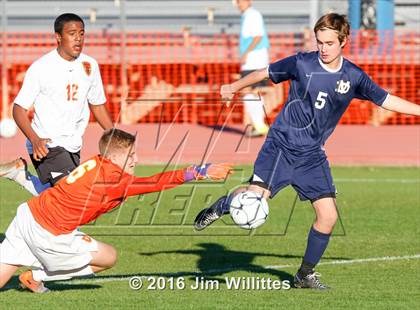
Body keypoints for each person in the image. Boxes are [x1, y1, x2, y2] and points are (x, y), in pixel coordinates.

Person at [194, 13, 420, 289]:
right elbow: (265, 72)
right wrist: (233, 86)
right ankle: (223, 205)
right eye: (320, 42)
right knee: (253, 202)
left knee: (328, 216)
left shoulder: (353, 76)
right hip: (280, 146)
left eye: (329, 43)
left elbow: (385, 99)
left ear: (344, 41)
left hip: (312, 155)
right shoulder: (302, 63)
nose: (323, 48)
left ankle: (304, 275)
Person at [0, 128, 232, 293]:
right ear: (114, 156)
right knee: (108, 257)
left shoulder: (97, 161)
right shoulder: (113, 179)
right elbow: (155, 183)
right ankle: (35, 276)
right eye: (131, 156)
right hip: (50, 233)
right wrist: (199, 171)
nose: (136, 160)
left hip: (28, 215)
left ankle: (20, 175)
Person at [0, 13, 113, 195]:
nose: (78, 38)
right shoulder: (41, 67)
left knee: (59, 200)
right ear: (58, 37)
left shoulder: (89, 65)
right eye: (72, 33)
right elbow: (18, 109)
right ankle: (19, 175)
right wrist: (35, 140)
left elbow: (97, 105)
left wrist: (115, 136)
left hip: (73, 143)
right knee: (72, 196)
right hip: (46, 144)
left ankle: (19, 174)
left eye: (82, 33)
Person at [236, 0, 270, 137]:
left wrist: (245, 53)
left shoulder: (252, 15)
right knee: (254, 92)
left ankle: (259, 125)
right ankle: (259, 125)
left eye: (241, 1)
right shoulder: (247, 16)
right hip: (256, 59)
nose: (238, 4)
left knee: (246, 90)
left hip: (254, 59)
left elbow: (258, 36)